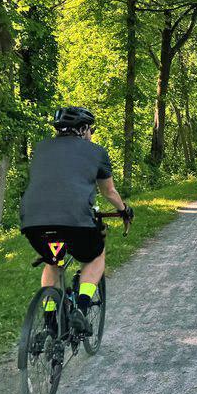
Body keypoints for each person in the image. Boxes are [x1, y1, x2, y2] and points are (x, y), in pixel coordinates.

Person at [20, 107, 133, 335]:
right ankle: (81, 308)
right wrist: (124, 211)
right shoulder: (95, 152)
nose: (91, 134)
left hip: (33, 223)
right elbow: (109, 192)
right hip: (75, 223)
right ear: (82, 129)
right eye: (90, 129)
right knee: (95, 255)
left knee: (54, 260)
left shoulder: (40, 149)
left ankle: (50, 316)